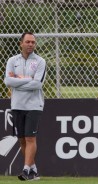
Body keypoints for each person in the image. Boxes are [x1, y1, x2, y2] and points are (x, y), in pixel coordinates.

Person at [4, 32, 46, 181]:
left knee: (30, 138)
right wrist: (27, 79)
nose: (30, 45)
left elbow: (37, 84)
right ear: (21, 43)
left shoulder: (40, 61)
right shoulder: (12, 60)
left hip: (34, 105)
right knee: (21, 139)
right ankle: (34, 170)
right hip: (17, 105)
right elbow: (8, 82)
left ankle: (26, 170)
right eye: (27, 42)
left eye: (33, 42)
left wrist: (18, 80)